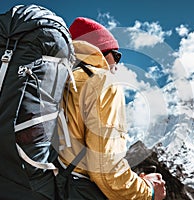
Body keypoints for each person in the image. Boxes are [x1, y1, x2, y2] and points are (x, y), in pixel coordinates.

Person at [57, 17, 166, 200]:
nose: (118, 64)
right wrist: (149, 190)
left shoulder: (58, 81)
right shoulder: (102, 81)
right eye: (116, 55)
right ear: (100, 51)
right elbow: (106, 171)